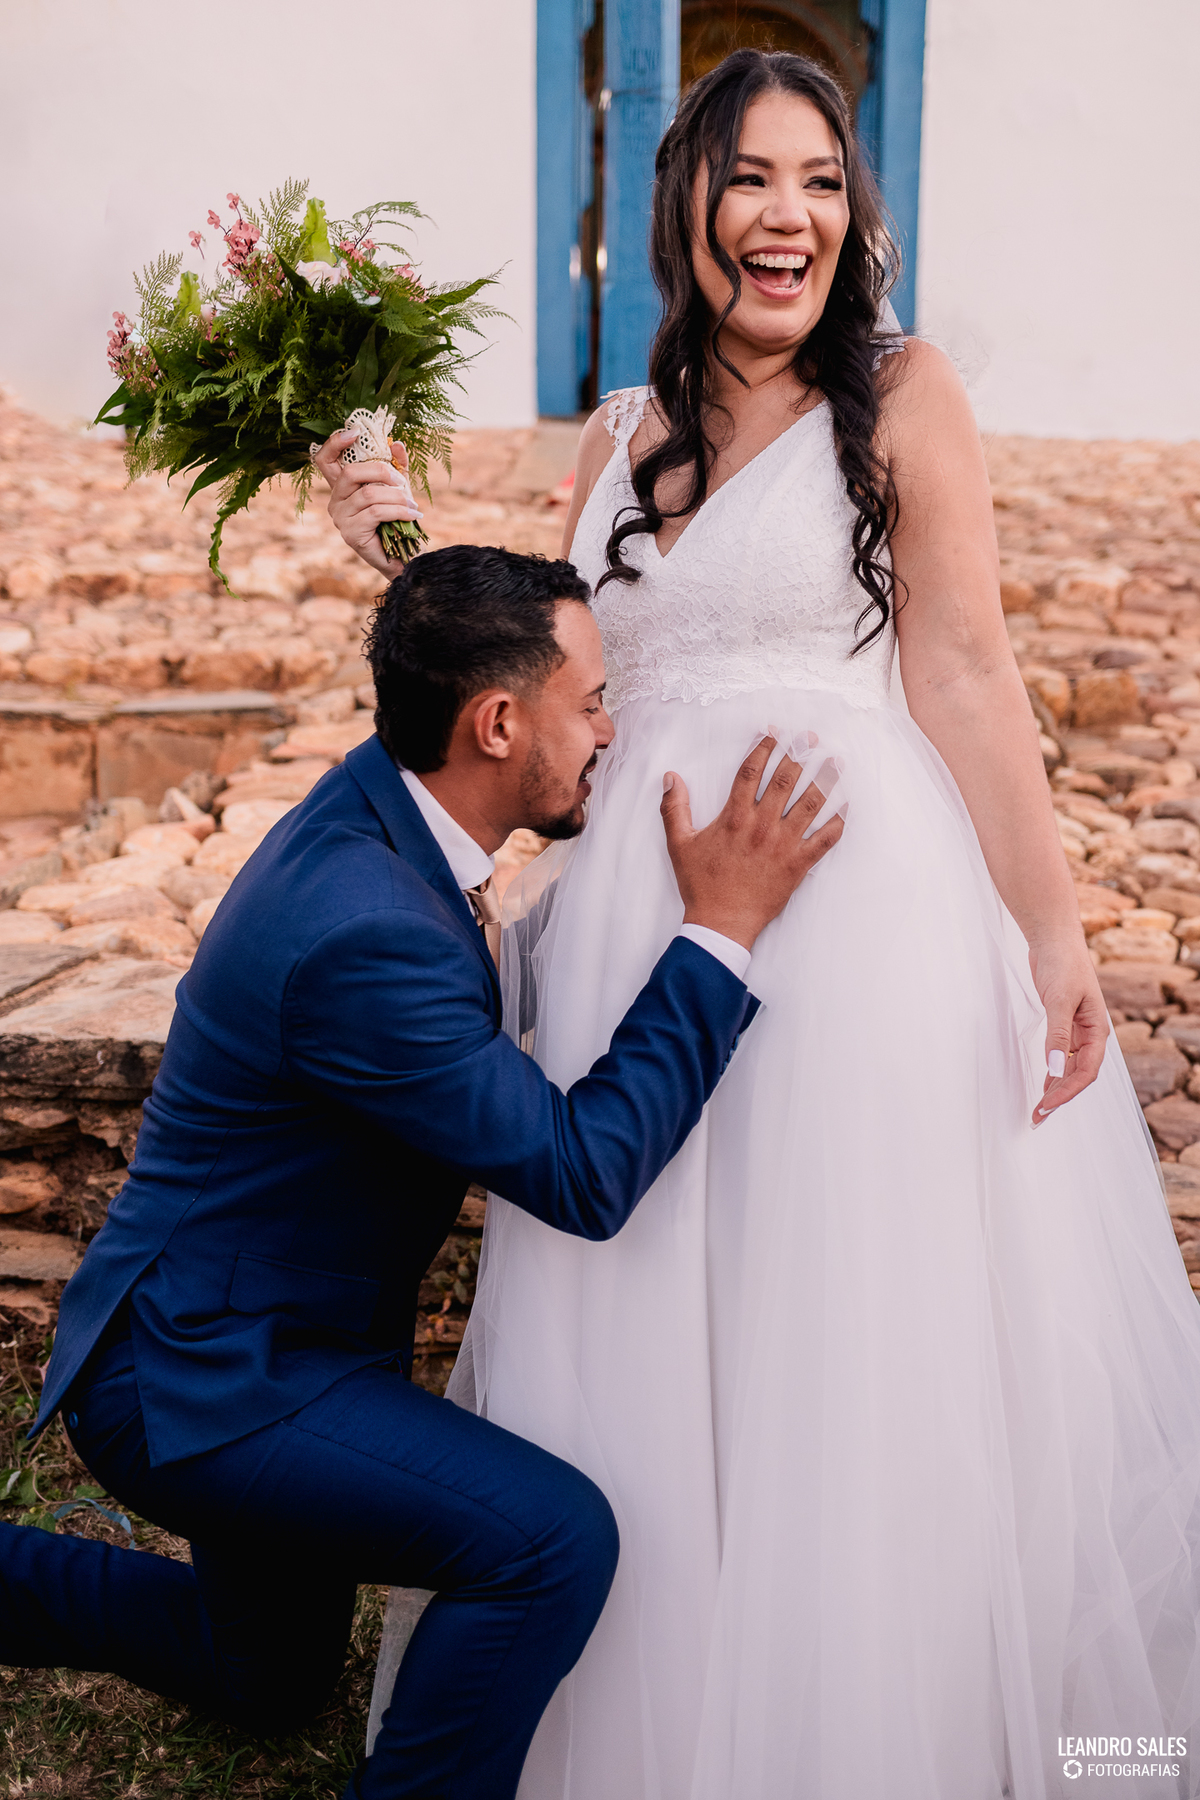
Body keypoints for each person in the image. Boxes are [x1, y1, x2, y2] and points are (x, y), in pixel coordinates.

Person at [323, 46, 1200, 1800]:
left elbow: (962, 666)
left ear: (854, 214)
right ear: (690, 213)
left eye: (818, 179)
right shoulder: (622, 434)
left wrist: (1050, 932)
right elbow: (562, 673)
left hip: (853, 918)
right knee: (647, 1315)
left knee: (842, 1320)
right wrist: (398, 541)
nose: (785, 213)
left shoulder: (907, 395)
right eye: (748, 179)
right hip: (643, 932)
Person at [0, 544, 844, 1800]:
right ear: (498, 722)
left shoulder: (389, 814)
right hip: (204, 1376)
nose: (613, 727)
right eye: (594, 701)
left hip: (251, 1328)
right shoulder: (369, 931)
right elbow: (582, 1171)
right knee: (552, 1540)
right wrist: (719, 927)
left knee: (269, 1679)